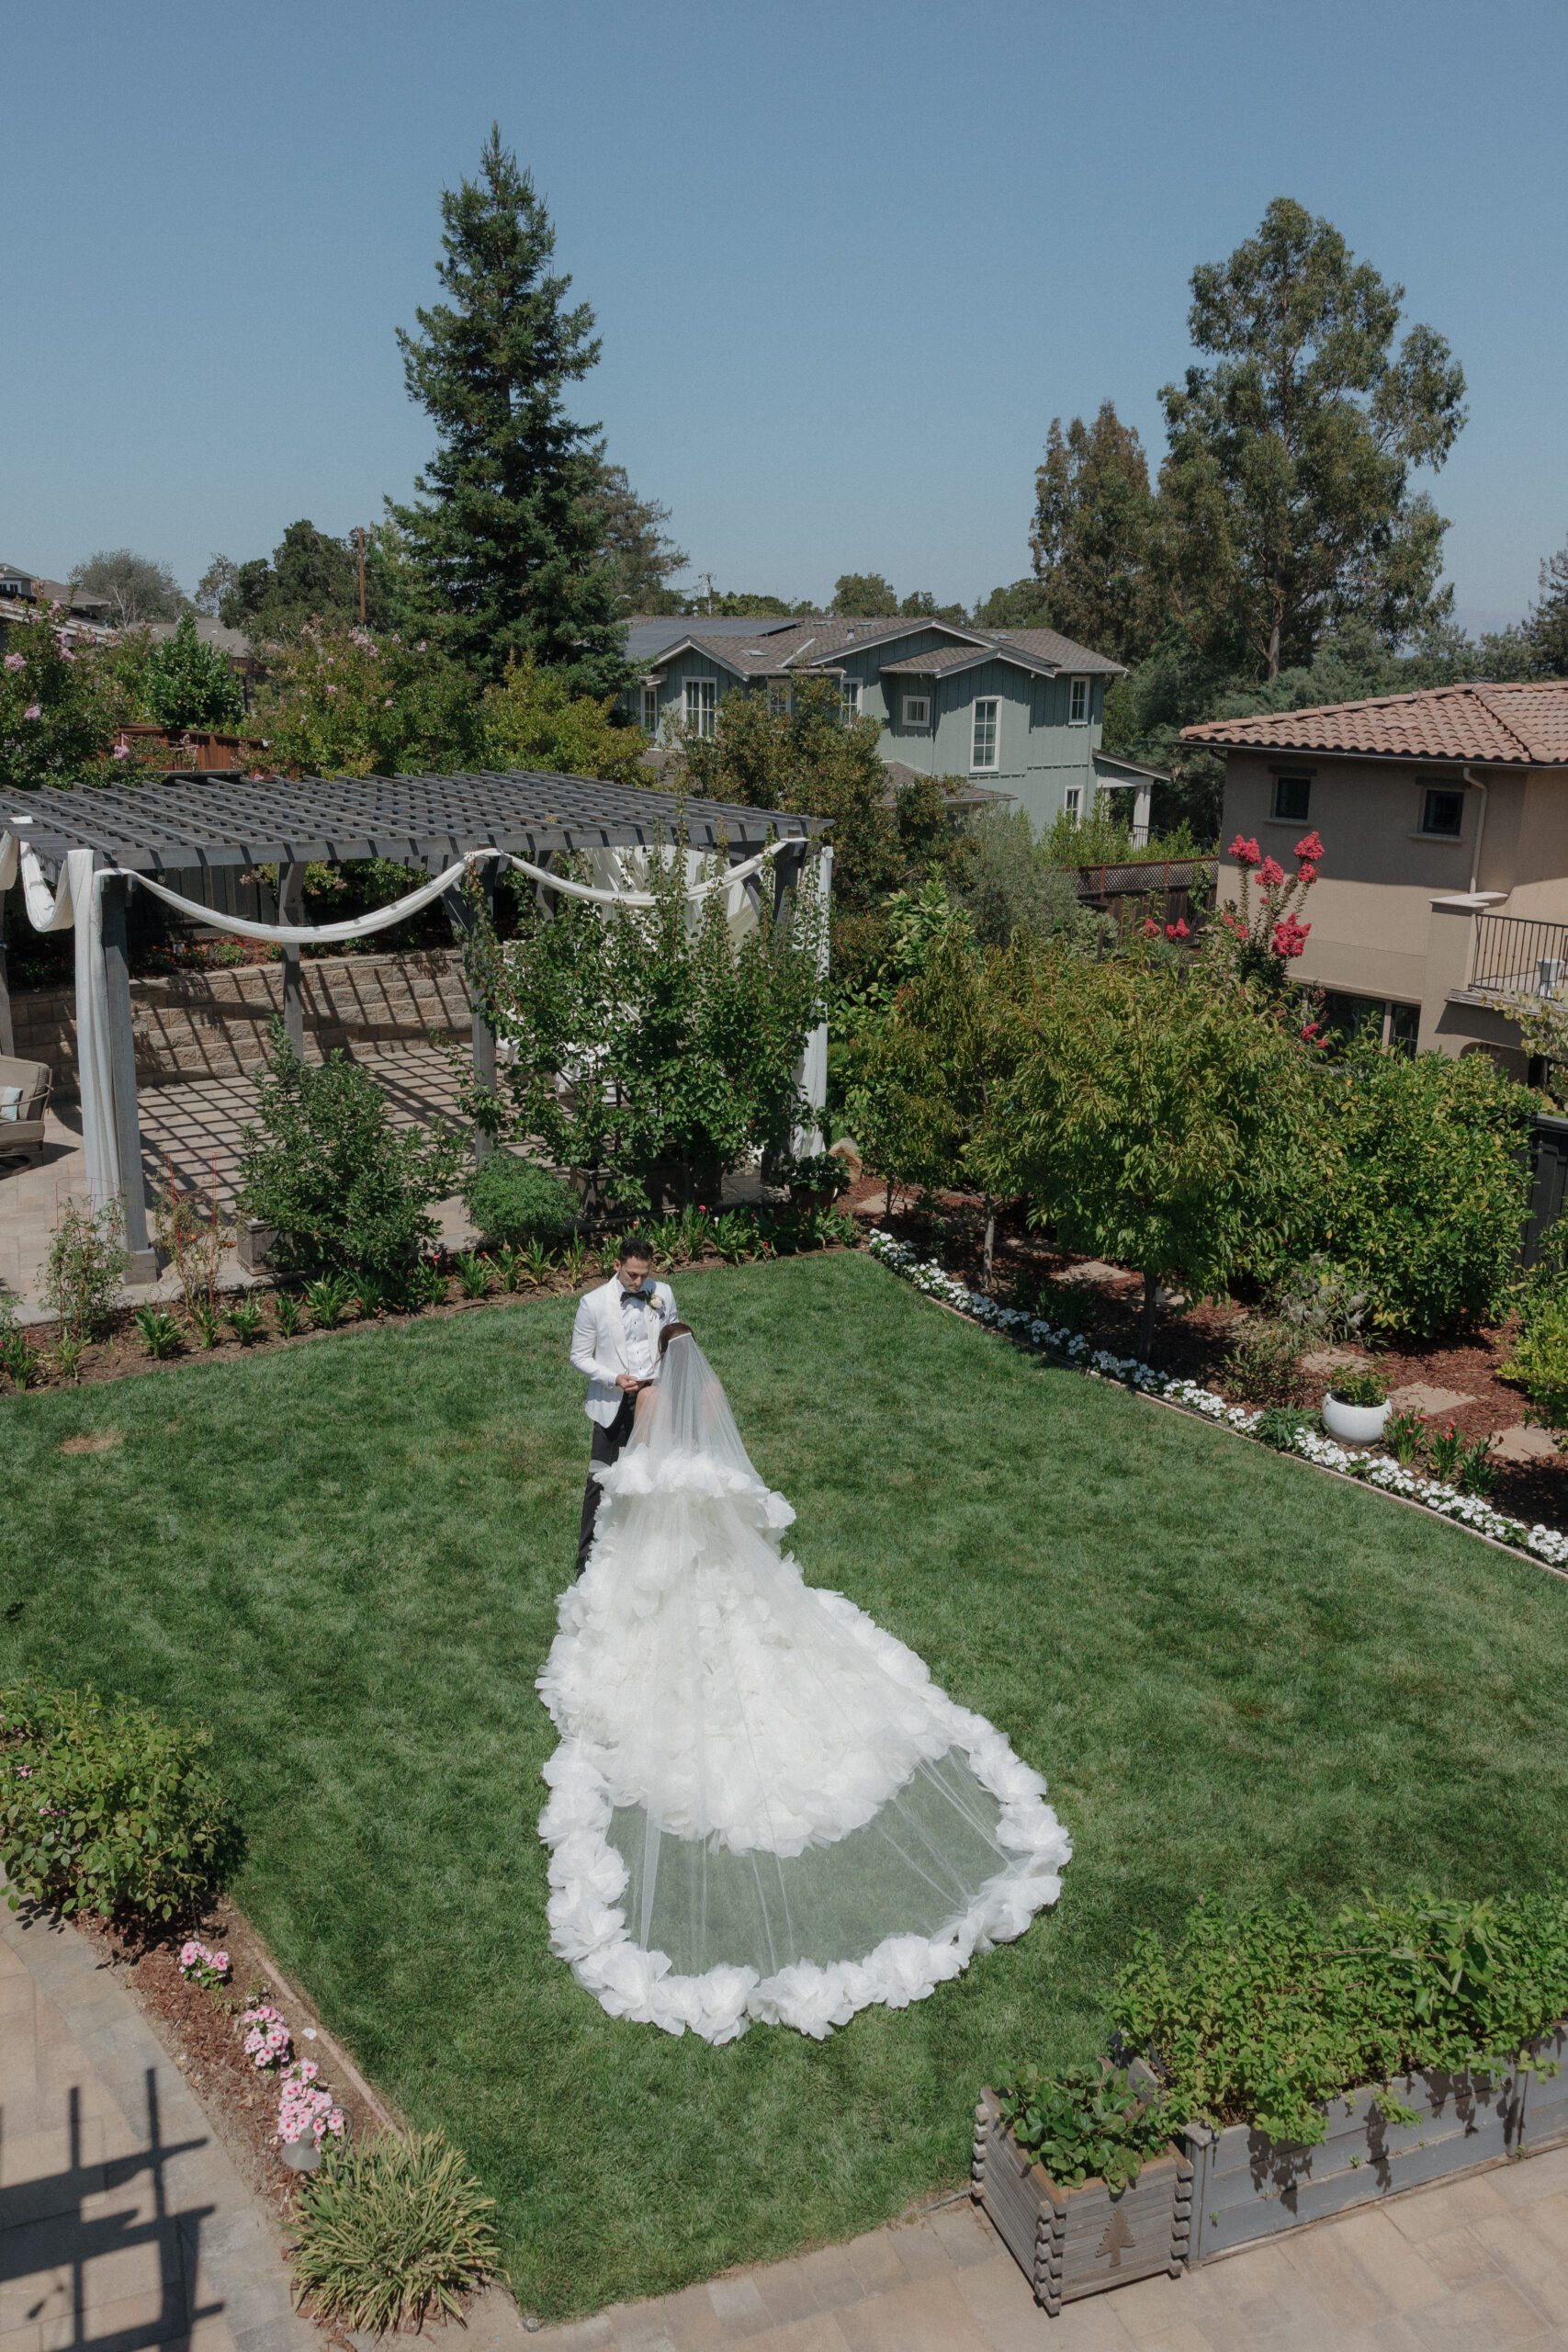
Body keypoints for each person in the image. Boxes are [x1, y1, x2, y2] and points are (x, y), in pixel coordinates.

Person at [538, 1324, 1071, 2045]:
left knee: (658, 1632)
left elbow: (642, 1467)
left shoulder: (657, 1397)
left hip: (669, 1543)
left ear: (660, 1358)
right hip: (715, 1538)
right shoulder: (714, 1394)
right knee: (747, 1618)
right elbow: (725, 1460)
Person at [569, 1235, 679, 1578]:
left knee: (656, 1473)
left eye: (644, 1274)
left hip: (654, 1396)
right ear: (616, 1266)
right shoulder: (593, 1303)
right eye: (632, 1274)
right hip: (613, 1403)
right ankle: (587, 1557)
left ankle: (651, 1549)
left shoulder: (663, 1294)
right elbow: (578, 1357)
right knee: (600, 1478)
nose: (639, 1281)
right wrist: (614, 1378)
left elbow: (670, 1340)